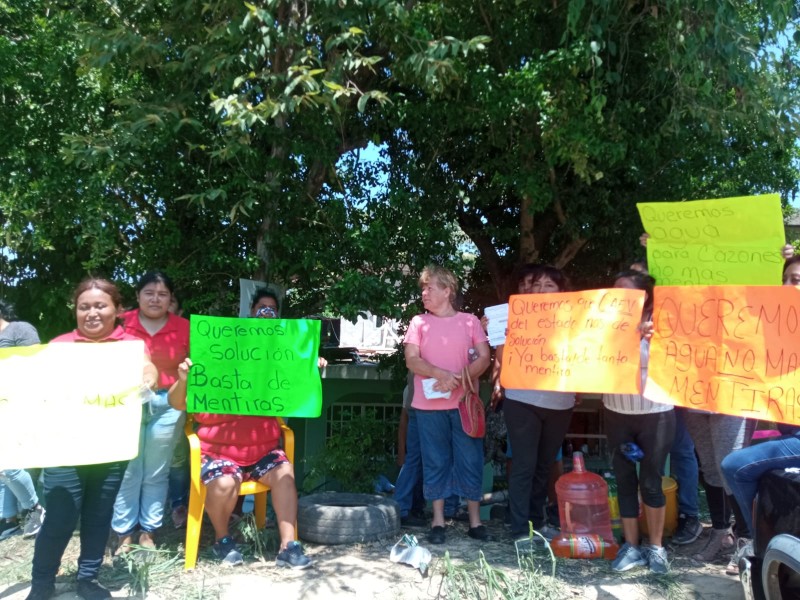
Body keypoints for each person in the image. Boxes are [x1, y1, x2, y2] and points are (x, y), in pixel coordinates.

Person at [27, 278, 157, 600]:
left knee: (99, 516)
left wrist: (147, 378)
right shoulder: (58, 348)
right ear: (76, 310)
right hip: (64, 448)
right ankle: (42, 582)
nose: (92, 313)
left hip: (111, 448)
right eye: (84, 307)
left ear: (117, 309)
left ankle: (88, 579)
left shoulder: (130, 347)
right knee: (60, 516)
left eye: (100, 305)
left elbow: (148, 369)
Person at [166, 290, 312, 569]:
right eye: (261, 308)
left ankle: (288, 546)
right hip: (217, 452)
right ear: (249, 313)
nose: (266, 314)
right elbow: (176, 402)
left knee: (285, 474)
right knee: (224, 483)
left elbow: (298, 392)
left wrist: (308, 369)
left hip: (264, 450)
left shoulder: (278, 360)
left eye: (272, 310)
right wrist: (184, 378)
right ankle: (223, 539)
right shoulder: (215, 357)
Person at [719, 255, 800, 575]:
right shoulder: (769, 327)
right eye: (791, 279)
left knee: (733, 466)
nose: (795, 285)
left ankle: (756, 541)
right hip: (790, 432)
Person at [404, 265, 491, 545]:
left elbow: (484, 358)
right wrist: (441, 375)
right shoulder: (418, 322)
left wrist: (460, 380)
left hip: (465, 405)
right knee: (435, 462)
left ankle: (475, 522)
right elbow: (411, 360)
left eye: (430, 288)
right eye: (423, 288)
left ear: (447, 291)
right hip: (428, 407)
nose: (424, 293)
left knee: (470, 459)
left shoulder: (470, 321)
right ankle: (438, 521)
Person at [491, 264, 575, 545]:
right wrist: (491, 328)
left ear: (562, 291)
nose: (541, 291)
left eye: (549, 286)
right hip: (522, 400)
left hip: (560, 402)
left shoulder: (577, 317)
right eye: (536, 285)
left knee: (543, 466)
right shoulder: (513, 315)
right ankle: (518, 530)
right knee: (524, 465)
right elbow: (498, 350)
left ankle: (537, 523)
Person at [603, 270, 674, 574]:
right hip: (616, 411)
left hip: (657, 412)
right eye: (615, 290)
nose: (619, 296)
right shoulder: (600, 321)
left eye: (626, 291)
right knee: (624, 480)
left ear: (645, 295)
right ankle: (631, 546)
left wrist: (660, 339)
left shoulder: (667, 321)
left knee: (651, 482)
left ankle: (656, 548)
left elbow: (687, 360)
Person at [112, 271, 190, 552]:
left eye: (162, 294)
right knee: (129, 470)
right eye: (149, 293)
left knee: (157, 471)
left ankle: (148, 531)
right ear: (137, 296)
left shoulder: (185, 328)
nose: (155, 299)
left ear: (170, 299)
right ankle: (123, 533)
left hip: (169, 405)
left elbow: (201, 367)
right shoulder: (120, 325)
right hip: (126, 403)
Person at [0, 300, 46, 540]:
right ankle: (7, 519)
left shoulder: (20, 330)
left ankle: (35, 508)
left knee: (8, 465)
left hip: (19, 406)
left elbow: (34, 367)